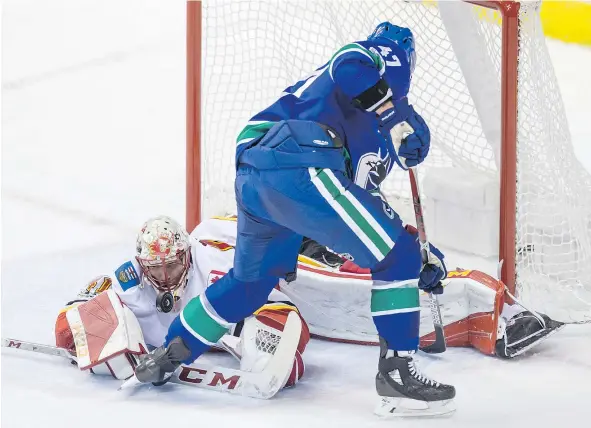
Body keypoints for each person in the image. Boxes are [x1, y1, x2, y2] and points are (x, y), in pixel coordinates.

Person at [136, 22, 454, 417]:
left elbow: (356, 213)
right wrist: (399, 117)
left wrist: (416, 253)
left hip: (258, 174)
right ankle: (398, 377)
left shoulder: (374, 139)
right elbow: (349, 63)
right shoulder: (386, 56)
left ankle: (171, 352)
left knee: (251, 285)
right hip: (300, 158)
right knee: (398, 256)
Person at [54, 215, 309, 388]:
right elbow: (67, 324)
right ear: (143, 265)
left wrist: (278, 351)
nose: (165, 278)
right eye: (155, 268)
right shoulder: (130, 279)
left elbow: (282, 306)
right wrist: (105, 341)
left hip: (238, 247)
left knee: (271, 348)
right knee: (94, 341)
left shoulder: (215, 267)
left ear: (187, 255)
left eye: (173, 266)